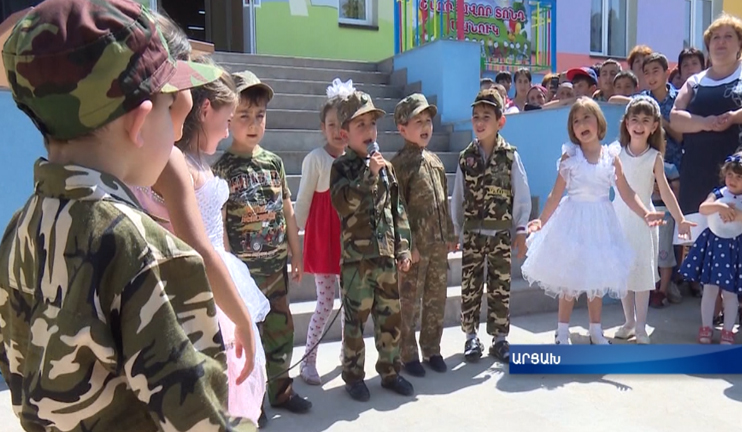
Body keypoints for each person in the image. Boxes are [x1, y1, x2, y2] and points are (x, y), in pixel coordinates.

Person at [0, 0, 256, 431]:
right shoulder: (145, 251)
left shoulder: (19, 228)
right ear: (140, 123)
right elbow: (200, 419)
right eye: (174, 111)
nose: (179, 130)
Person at [174, 57, 271, 425]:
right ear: (204, 110)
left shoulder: (202, 162)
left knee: (235, 377)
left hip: (222, 269)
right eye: (228, 118)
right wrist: (240, 313)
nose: (230, 128)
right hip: (203, 281)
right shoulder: (179, 164)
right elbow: (197, 245)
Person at [521, 98, 664, 345]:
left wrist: (645, 213)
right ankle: (562, 330)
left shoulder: (611, 156)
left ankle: (595, 330)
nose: (582, 124)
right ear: (572, 130)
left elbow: (627, 193)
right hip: (573, 221)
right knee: (570, 280)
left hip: (601, 223)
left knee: (596, 280)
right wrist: (541, 221)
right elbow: (556, 194)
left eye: (587, 118)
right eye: (576, 121)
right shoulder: (570, 156)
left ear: (599, 123)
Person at [213, 71, 312, 415]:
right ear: (228, 119)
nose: (253, 124)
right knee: (247, 342)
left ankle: (282, 392)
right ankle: (252, 403)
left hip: (276, 271)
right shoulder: (223, 168)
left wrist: (296, 254)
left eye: (260, 116)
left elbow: (287, 210)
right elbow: (220, 221)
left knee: (281, 335)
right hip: (245, 277)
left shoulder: (274, 163)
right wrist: (228, 266)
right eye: (244, 116)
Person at [330, 88, 414, 401]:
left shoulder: (386, 168)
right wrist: (368, 174)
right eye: (360, 126)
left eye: (372, 125)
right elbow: (343, 203)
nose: (369, 131)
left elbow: (398, 211)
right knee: (355, 323)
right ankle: (353, 376)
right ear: (344, 133)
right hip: (356, 261)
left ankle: (391, 372)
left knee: (390, 318)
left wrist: (403, 248)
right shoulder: (342, 168)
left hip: (386, 258)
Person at [451, 89, 531, 361]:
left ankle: (500, 338)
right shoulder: (466, 158)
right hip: (473, 234)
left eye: (487, 116)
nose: (480, 121)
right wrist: (457, 229)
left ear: (500, 121)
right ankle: (470, 337)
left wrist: (521, 230)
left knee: (500, 286)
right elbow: (458, 196)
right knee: (470, 286)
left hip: (499, 235)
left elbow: (521, 195)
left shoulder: (510, 157)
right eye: (475, 116)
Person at [612, 97, 694, 344]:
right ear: (626, 124)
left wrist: (680, 218)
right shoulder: (615, 152)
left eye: (645, 121)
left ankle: (640, 326)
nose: (639, 125)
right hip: (619, 217)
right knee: (624, 274)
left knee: (642, 275)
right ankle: (628, 322)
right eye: (634, 120)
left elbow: (666, 191)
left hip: (645, 221)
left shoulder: (654, 157)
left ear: (654, 126)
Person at [391, 94, 456, 376]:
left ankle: (432, 348)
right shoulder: (399, 165)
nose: (425, 126)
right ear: (402, 129)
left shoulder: (436, 161)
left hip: (438, 245)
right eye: (418, 121)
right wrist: (407, 246)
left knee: (435, 299)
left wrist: (450, 233)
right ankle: (407, 354)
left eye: (428, 121)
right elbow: (397, 209)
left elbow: (444, 201)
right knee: (409, 302)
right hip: (416, 249)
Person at [296, 79, 347, 385]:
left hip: (350, 240)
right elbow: (302, 202)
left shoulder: (356, 159)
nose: (337, 129)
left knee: (350, 303)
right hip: (323, 240)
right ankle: (308, 360)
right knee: (325, 303)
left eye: (343, 123)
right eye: (331, 124)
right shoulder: (315, 159)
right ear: (322, 127)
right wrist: (295, 245)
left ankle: (347, 354)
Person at [681, 153, 742, 345]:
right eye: (730, 175)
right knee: (709, 288)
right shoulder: (718, 194)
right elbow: (703, 208)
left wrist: (734, 213)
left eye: (739, 177)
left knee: (730, 292)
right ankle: (706, 326)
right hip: (714, 245)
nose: (733, 180)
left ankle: (728, 330)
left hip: (734, 248)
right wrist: (719, 207)